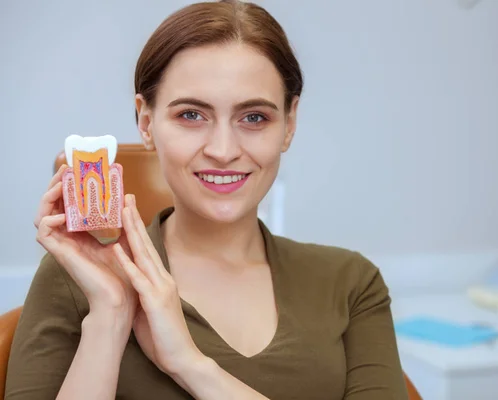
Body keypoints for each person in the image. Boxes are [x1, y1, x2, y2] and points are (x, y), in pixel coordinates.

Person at [5, 1, 410, 399]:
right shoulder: (77, 277)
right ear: (146, 123)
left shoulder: (351, 283)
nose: (222, 149)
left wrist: (190, 364)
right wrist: (110, 316)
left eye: (254, 117)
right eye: (191, 115)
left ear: (289, 124)